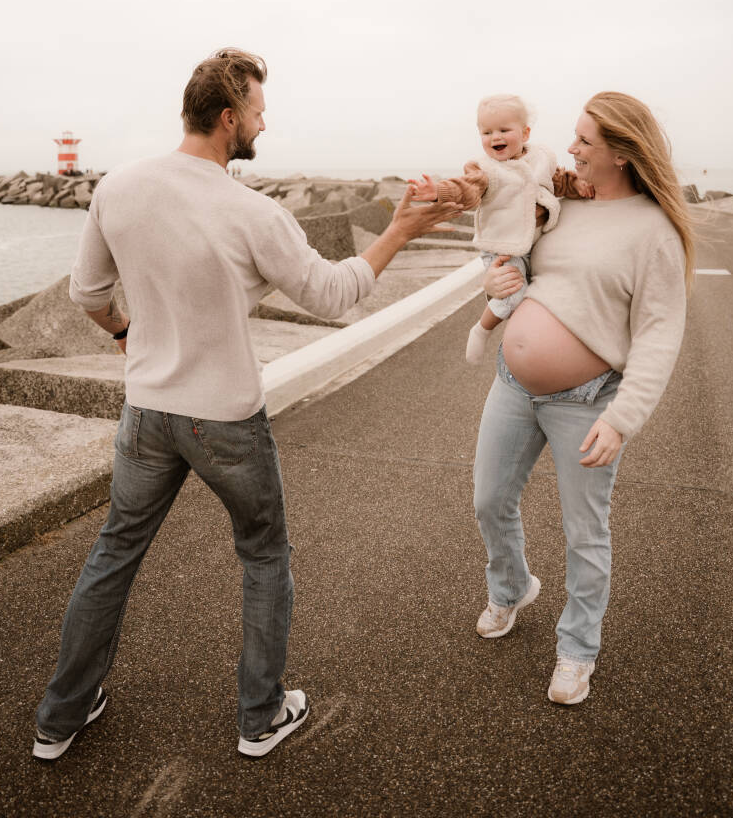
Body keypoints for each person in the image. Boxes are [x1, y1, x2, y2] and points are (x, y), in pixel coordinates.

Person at [32, 48, 460, 761]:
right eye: (259, 111)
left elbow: (87, 295)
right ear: (229, 118)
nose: (265, 122)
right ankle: (259, 716)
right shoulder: (251, 212)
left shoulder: (120, 188)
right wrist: (400, 232)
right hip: (224, 419)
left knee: (114, 553)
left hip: (146, 414)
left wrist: (127, 333)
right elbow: (332, 295)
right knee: (263, 556)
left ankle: (60, 717)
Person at [472, 92, 693, 704]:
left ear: (621, 153)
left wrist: (622, 419)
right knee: (489, 500)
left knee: (584, 532)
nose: (569, 148)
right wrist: (494, 282)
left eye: (584, 141)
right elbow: (518, 264)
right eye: (571, 136)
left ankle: (577, 650)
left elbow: (659, 332)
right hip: (514, 387)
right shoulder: (560, 206)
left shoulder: (654, 232)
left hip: (589, 400)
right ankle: (512, 588)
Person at [409, 93, 589, 364]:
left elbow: (558, 182)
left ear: (525, 133)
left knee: (539, 299)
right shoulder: (485, 169)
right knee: (513, 298)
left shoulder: (541, 158)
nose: (495, 137)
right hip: (502, 248)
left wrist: (579, 186)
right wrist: (439, 190)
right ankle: (482, 329)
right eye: (486, 132)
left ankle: (536, 349)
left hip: (533, 243)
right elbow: (467, 189)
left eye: (504, 130)